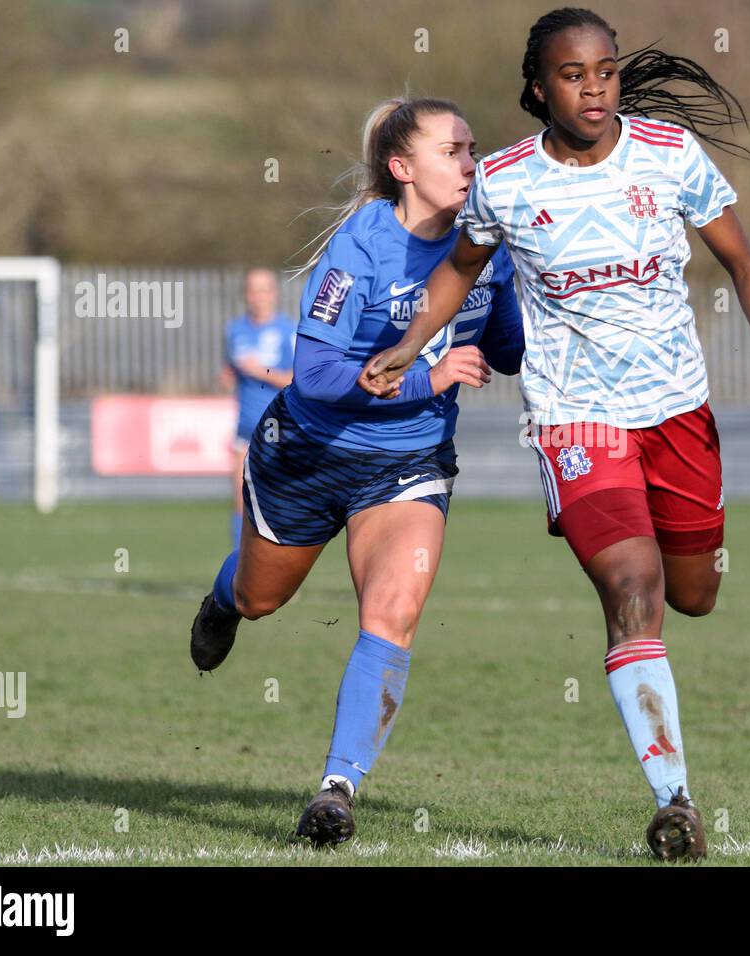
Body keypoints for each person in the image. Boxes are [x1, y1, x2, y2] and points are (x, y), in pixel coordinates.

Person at [359, 7, 750, 862]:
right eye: (572, 74)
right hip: (574, 419)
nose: (593, 87)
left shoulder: (670, 157)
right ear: (538, 88)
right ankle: (675, 801)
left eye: (605, 70)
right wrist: (410, 345)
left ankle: (663, 673)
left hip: (677, 412)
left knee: (693, 592)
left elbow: (745, 262)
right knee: (635, 590)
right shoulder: (509, 181)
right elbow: (456, 271)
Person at [188, 96, 524, 848]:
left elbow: (505, 351)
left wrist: (546, 295)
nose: (472, 164)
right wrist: (424, 380)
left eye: (475, 149)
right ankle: (222, 598)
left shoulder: (487, 246)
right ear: (403, 169)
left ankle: (336, 790)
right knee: (259, 597)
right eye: (453, 152)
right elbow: (312, 375)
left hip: (406, 466)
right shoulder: (362, 247)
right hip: (309, 456)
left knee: (392, 612)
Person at [221, 269, 296, 545]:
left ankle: (281, 582)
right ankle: (238, 575)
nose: (258, 296)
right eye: (253, 290)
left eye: (264, 290)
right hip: (244, 428)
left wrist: (260, 370)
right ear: (246, 294)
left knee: (277, 504)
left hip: (278, 429)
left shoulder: (288, 331)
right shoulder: (234, 331)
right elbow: (230, 371)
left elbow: (296, 379)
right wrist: (228, 376)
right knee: (240, 502)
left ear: (274, 293)